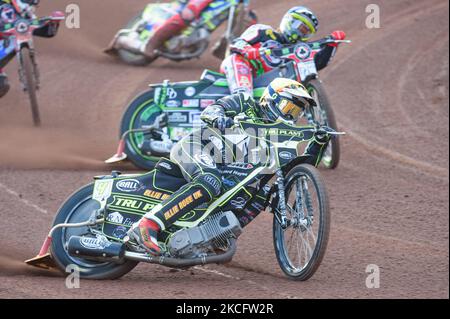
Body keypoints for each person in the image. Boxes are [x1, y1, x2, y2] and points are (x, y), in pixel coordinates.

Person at [127, 78, 329, 255]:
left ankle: (214, 237)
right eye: (288, 107)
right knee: (209, 181)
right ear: (271, 99)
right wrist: (219, 117)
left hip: (226, 170)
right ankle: (148, 225)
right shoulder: (246, 102)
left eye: (296, 112)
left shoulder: (280, 137)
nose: (291, 116)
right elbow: (213, 109)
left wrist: (319, 142)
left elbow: (301, 169)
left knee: (262, 192)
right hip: (198, 146)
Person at [221, 6, 347, 95]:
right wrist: (249, 50)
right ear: (289, 21)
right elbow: (236, 43)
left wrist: (332, 44)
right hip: (241, 68)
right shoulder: (264, 31)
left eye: (306, 33)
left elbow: (316, 64)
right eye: (300, 28)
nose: (300, 34)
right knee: (238, 61)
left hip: (265, 86)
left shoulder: (296, 51)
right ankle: (242, 97)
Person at [0, 0, 59, 98]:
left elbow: (43, 31)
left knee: (2, 84)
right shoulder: (6, 8)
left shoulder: (25, 15)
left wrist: (54, 23)